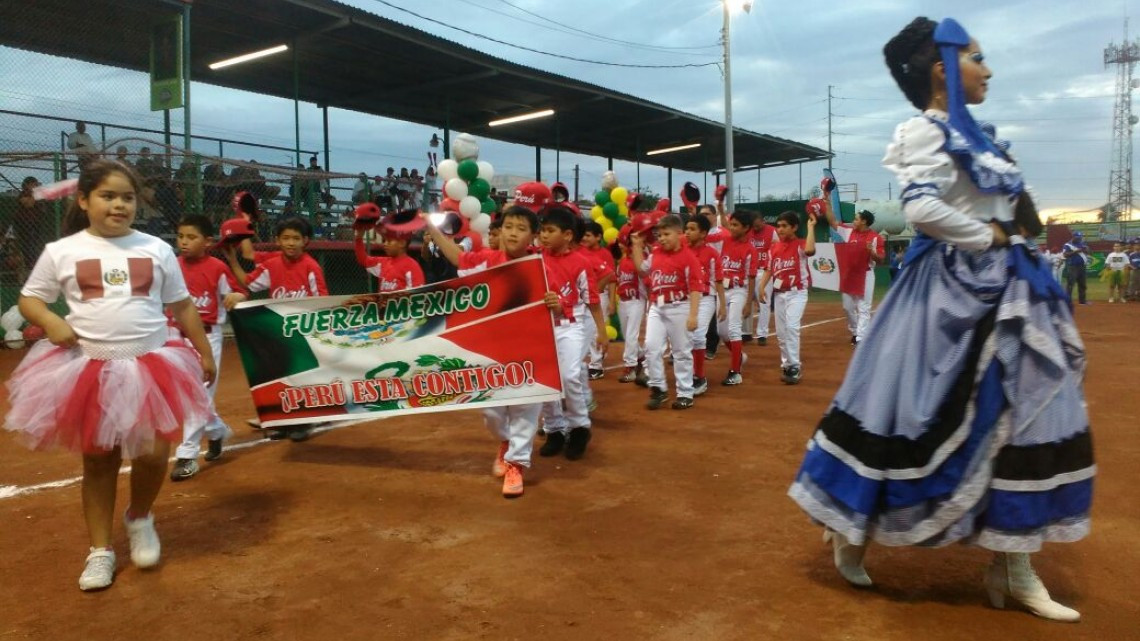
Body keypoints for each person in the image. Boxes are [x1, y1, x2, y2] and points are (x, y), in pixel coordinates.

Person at [787, 17, 1093, 622]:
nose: (989, 70)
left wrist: (1014, 231)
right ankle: (852, 532)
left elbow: (1008, 211)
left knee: (1028, 417)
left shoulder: (981, 136)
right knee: (904, 412)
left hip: (1012, 292)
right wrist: (991, 235)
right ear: (942, 69)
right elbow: (922, 208)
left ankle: (1014, 564)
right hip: (946, 297)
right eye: (978, 58)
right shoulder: (922, 132)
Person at [4, 159, 214, 591]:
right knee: (99, 462)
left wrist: (204, 350)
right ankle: (100, 550)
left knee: (155, 455)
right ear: (84, 200)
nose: (119, 205)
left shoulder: (155, 248)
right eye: (108, 196)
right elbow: (29, 299)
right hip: (89, 368)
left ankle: (139, 516)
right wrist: (51, 321)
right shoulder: (62, 251)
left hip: (153, 363)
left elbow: (182, 305)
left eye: (127, 197)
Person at [225, 217, 329, 442]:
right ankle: (284, 421)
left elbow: (321, 300)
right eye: (286, 238)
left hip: (303, 331)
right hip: (278, 331)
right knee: (281, 375)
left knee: (302, 376)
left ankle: (304, 421)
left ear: (306, 241)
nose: (291, 243)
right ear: (278, 240)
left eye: (296, 238)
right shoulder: (272, 265)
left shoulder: (311, 267)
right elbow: (248, 283)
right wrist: (232, 259)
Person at [169, 215, 247, 480]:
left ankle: (187, 455)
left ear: (208, 241)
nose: (184, 242)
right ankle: (216, 431)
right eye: (180, 236)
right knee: (186, 394)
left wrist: (237, 296)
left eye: (191, 237)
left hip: (208, 337)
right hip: (175, 337)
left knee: (198, 395)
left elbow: (238, 292)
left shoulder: (216, 267)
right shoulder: (172, 265)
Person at [537, 205, 607, 459]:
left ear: (567, 235)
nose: (544, 235)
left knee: (568, 376)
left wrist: (602, 331)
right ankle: (554, 429)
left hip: (570, 325)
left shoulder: (581, 263)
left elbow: (592, 299)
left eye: (550, 230)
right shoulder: (536, 258)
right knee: (546, 379)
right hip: (542, 327)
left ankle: (579, 427)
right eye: (542, 230)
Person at [631, 214, 702, 410]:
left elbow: (695, 287)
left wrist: (693, 315)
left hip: (680, 306)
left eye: (666, 234)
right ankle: (658, 388)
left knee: (681, 351)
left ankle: (685, 393)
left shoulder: (688, 257)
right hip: (657, 306)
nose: (661, 238)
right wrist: (637, 246)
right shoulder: (655, 254)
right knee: (651, 347)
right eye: (659, 235)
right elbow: (642, 270)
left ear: (679, 234)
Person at [758, 211, 816, 384]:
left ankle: (795, 366)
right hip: (779, 294)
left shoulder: (800, 244)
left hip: (797, 292)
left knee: (791, 327)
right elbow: (769, 270)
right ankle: (787, 364)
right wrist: (761, 286)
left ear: (794, 227)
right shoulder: (773, 248)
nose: (780, 229)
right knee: (781, 333)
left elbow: (810, 250)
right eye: (779, 225)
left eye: (784, 226)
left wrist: (811, 227)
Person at [821, 203, 886, 345]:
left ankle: (861, 337)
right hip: (850, 275)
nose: (854, 221)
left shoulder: (875, 238)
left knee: (864, 307)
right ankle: (855, 331)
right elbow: (832, 222)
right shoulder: (849, 232)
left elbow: (881, 259)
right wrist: (827, 203)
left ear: (864, 221)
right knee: (848, 307)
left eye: (856, 219)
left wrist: (871, 252)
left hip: (866, 274)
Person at [714, 211, 757, 385]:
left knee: (733, 328)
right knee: (721, 330)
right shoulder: (724, 242)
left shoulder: (750, 249)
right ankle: (739, 356)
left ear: (746, 228)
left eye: (736, 225)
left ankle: (735, 372)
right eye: (731, 224)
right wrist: (720, 205)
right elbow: (720, 225)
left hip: (739, 290)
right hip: (723, 291)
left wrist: (749, 303)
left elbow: (752, 278)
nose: (731, 227)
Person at [684, 214, 726, 395]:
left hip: (706, 298)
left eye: (692, 229)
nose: (687, 232)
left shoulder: (711, 253)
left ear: (703, 233)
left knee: (698, 335)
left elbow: (718, 281)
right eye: (686, 228)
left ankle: (699, 377)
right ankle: (688, 374)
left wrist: (722, 304)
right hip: (685, 299)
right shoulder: (682, 250)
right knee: (685, 338)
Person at [353, 214, 425, 293]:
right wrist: (358, 238)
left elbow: (417, 295)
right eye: (385, 240)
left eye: (389, 241)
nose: (385, 244)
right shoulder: (383, 262)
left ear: (402, 243)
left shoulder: (412, 266)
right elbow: (363, 259)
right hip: (384, 304)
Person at [580, 220, 615, 380]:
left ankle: (596, 365)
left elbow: (610, 276)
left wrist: (599, 289)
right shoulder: (582, 252)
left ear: (598, 237)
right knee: (585, 331)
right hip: (584, 297)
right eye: (583, 235)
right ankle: (594, 361)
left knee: (595, 331)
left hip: (599, 296)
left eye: (588, 235)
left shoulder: (603, 254)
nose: (584, 238)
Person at [614, 229, 647, 383]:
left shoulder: (640, 259)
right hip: (623, 301)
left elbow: (645, 280)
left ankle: (630, 367)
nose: (619, 245)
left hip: (637, 300)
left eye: (622, 242)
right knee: (627, 334)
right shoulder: (622, 261)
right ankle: (641, 356)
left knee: (631, 335)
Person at [747, 214, 779, 345]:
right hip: (749, 271)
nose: (755, 227)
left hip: (765, 270)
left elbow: (777, 246)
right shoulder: (748, 231)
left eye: (757, 224)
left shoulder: (772, 231)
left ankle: (762, 334)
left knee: (764, 302)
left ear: (763, 221)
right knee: (746, 300)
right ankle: (745, 333)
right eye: (753, 225)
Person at [1062, 231, 1091, 305]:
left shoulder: (1082, 243)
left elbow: (1090, 252)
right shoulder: (1067, 245)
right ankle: (1067, 301)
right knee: (1070, 284)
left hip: (1082, 267)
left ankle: (1082, 301)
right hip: (1073, 267)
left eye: (1081, 237)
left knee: (1082, 284)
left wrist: (1087, 249)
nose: (1080, 238)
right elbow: (1065, 255)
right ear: (1074, 237)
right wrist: (1076, 251)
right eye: (1078, 237)